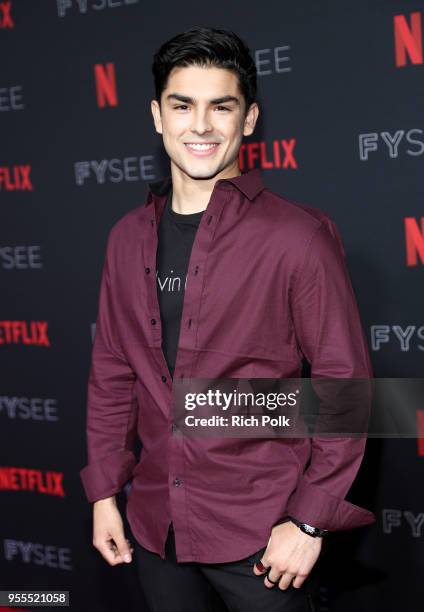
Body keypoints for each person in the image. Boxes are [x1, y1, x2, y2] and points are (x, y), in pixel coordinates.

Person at [79, 25, 376, 612]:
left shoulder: (298, 237)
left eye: (222, 106)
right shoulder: (125, 239)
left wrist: (310, 523)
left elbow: (346, 389)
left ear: (249, 119)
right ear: (157, 116)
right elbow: (113, 372)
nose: (202, 125)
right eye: (183, 105)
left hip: (264, 539)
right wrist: (104, 492)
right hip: (156, 526)